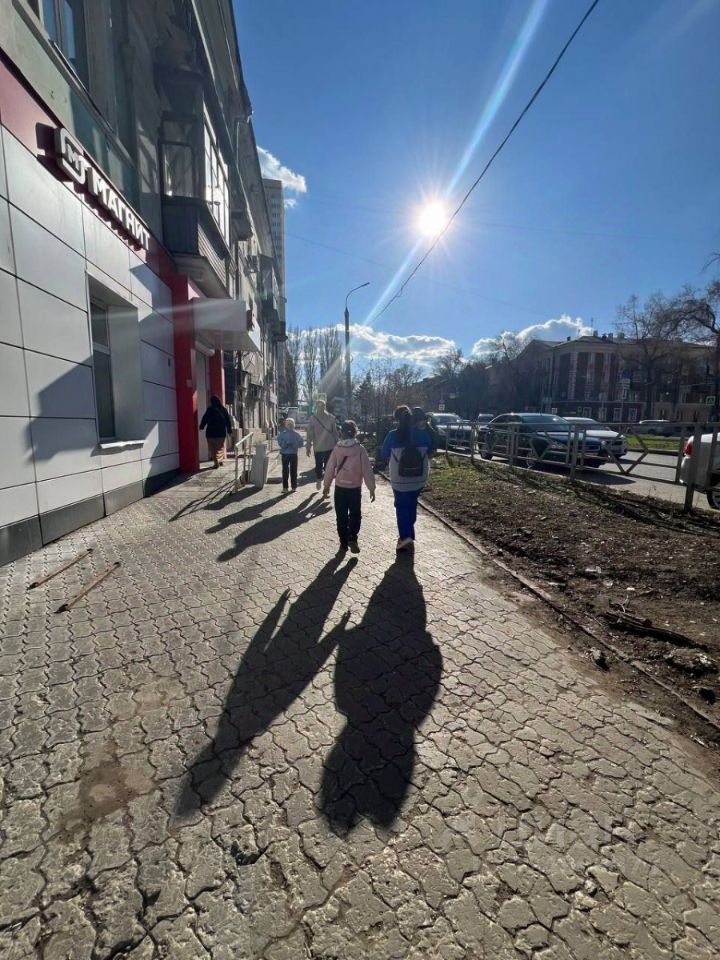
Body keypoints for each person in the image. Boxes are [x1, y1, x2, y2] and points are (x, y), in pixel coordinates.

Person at [380, 405, 436, 551]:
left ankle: (405, 537)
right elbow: (431, 451)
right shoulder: (423, 435)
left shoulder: (392, 435)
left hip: (399, 479)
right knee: (412, 503)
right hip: (420, 478)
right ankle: (409, 531)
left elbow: (384, 454)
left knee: (401, 506)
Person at [323, 420, 376, 553]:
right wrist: (371, 488)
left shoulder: (337, 449)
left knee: (341, 516)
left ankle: (343, 542)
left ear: (341, 433)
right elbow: (367, 470)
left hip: (340, 488)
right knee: (355, 514)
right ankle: (352, 537)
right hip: (355, 489)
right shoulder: (360, 449)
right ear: (355, 432)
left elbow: (329, 468)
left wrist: (326, 486)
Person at [306, 399, 339, 491]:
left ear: (325, 406)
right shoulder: (313, 418)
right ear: (316, 407)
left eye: (322, 406)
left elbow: (334, 432)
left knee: (328, 466)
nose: (320, 408)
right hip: (318, 446)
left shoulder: (331, 417)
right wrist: (308, 447)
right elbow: (310, 433)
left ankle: (326, 486)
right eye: (319, 406)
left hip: (329, 445)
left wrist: (337, 443)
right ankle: (319, 479)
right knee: (318, 465)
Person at [199, 396, 232, 468]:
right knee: (220, 448)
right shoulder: (223, 410)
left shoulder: (210, 410)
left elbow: (205, 419)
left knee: (212, 449)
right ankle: (219, 460)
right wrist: (229, 430)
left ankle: (216, 462)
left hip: (210, 433)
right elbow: (227, 421)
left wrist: (201, 426)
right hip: (221, 433)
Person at [278, 417, 304, 492]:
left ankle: (294, 487)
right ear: (286, 425)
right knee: (285, 471)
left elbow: (301, 443)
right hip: (285, 454)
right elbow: (280, 442)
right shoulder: (282, 434)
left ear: (293, 425)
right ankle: (285, 487)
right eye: (288, 424)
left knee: (294, 471)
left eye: (291, 424)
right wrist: (285, 444)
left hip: (293, 454)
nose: (290, 425)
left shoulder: (297, 434)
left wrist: (294, 445)